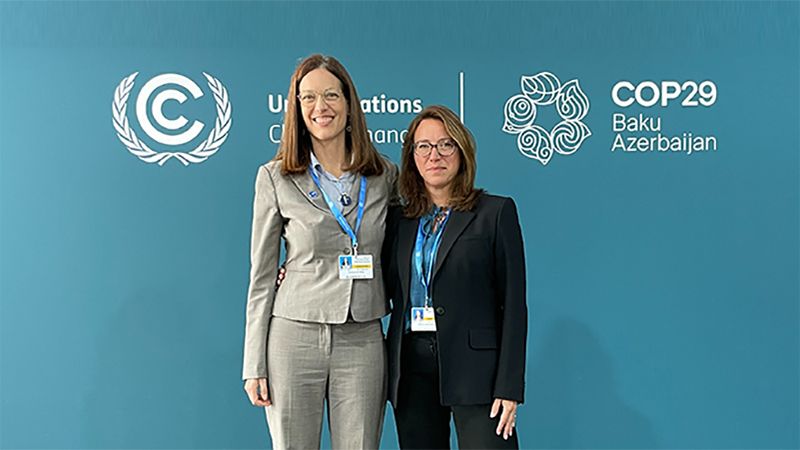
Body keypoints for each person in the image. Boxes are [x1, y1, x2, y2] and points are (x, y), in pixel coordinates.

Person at [242, 54, 397, 450]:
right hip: (293, 335)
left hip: (362, 336)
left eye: (330, 95)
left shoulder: (384, 176)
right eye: (307, 98)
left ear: (349, 104)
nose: (320, 107)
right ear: (296, 108)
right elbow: (261, 278)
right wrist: (253, 363)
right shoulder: (275, 177)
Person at [384, 105, 528, 449]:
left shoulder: (495, 213)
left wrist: (509, 387)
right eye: (423, 146)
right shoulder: (396, 221)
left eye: (446, 145)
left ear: (462, 152)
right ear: (412, 157)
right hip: (411, 368)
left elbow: (514, 305)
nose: (434, 155)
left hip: (477, 369)